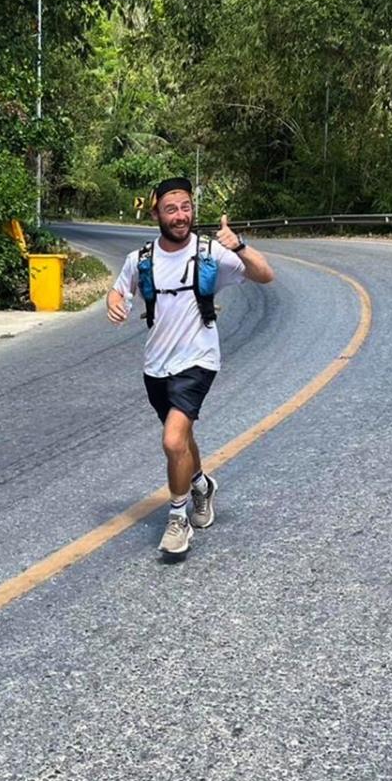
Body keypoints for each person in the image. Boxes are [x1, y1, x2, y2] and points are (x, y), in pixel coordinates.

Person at [106, 178, 276, 555]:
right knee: (180, 440)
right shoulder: (142, 259)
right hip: (156, 365)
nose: (181, 216)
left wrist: (242, 247)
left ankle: (178, 519)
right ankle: (201, 485)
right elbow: (120, 288)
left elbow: (265, 275)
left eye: (185, 207)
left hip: (198, 360)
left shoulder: (210, 252)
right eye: (171, 209)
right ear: (156, 214)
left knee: (171, 440)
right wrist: (113, 302)